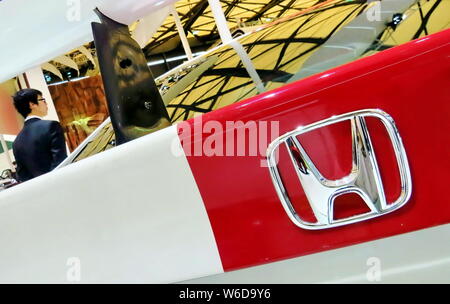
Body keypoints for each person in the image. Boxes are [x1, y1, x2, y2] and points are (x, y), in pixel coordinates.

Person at [12, 89, 67, 182]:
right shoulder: (51, 126)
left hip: (40, 192)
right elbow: (60, 162)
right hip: (60, 184)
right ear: (32, 104)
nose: (46, 104)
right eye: (42, 100)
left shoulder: (16, 142)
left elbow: (23, 176)